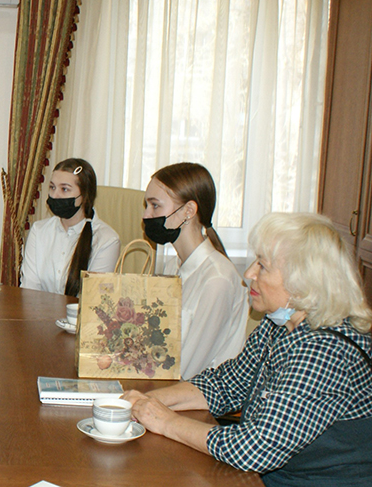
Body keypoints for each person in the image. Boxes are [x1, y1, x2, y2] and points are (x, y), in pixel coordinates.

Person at [125, 213, 372, 486]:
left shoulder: (325, 351)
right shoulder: (278, 324)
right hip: (277, 475)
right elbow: (226, 384)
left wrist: (165, 422)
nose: (249, 273)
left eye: (262, 266)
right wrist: (142, 402)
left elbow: (255, 449)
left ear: (302, 285)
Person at [142, 162, 247, 379]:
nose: (146, 215)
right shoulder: (173, 266)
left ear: (188, 211)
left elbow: (186, 368)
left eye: (155, 206)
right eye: (147, 206)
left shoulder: (217, 280)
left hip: (194, 394)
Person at [20, 158, 121, 296]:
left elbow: (94, 298)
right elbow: (29, 289)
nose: (55, 195)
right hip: (39, 309)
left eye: (64, 189)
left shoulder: (107, 240)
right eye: (52, 187)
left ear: (84, 195)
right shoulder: (39, 230)